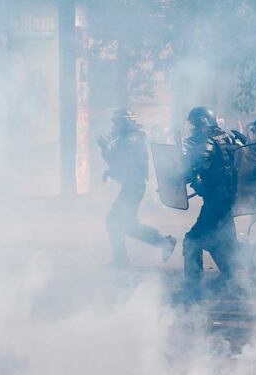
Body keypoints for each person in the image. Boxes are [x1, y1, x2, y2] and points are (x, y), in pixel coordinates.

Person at [99, 108, 176, 268]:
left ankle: (161, 243)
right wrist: (111, 170)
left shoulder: (131, 140)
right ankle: (161, 243)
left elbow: (123, 163)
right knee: (122, 223)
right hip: (132, 185)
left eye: (118, 122)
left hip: (133, 186)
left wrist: (105, 149)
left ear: (125, 122)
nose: (115, 126)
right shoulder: (132, 137)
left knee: (116, 222)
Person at [182, 106, 244, 290]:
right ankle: (233, 280)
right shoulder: (227, 137)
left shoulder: (208, 143)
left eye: (194, 125)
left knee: (192, 241)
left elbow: (192, 168)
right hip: (225, 199)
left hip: (217, 201)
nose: (192, 129)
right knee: (221, 242)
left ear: (202, 124)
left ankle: (192, 289)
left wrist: (185, 177)